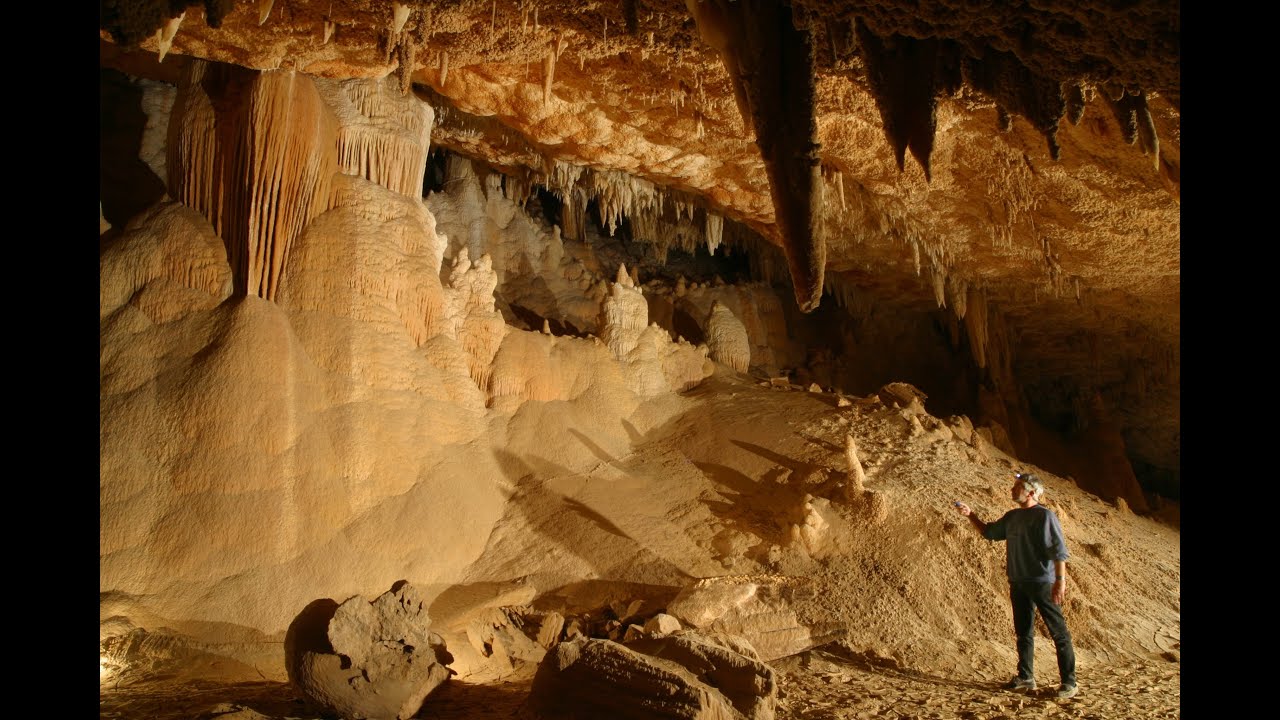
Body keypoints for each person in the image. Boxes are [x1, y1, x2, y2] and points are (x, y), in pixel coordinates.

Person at [954, 471, 1078, 699]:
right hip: (1019, 582)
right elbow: (989, 532)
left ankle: (1069, 682)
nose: (1012, 490)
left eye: (1017, 487)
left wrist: (1060, 581)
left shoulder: (1045, 517)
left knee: (1058, 632)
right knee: (1023, 633)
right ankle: (1026, 677)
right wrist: (970, 515)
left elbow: (1059, 552)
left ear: (1031, 492)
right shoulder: (1012, 517)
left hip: (1042, 582)